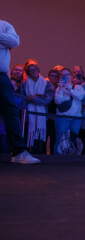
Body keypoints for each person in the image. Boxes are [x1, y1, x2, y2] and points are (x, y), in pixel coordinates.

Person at [0, 20, 40, 164]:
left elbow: (15, 41)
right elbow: (9, 41)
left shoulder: (4, 25)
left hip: (1, 76)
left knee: (11, 111)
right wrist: (4, 42)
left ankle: (19, 152)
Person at [18, 59, 55, 154]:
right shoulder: (24, 84)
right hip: (28, 116)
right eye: (30, 70)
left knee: (39, 141)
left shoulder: (47, 84)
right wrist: (30, 98)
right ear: (28, 73)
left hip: (41, 116)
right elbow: (22, 98)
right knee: (26, 137)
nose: (33, 71)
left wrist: (33, 99)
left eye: (34, 69)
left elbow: (47, 99)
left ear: (38, 70)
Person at [54, 68, 85, 155]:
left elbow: (80, 97)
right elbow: (57, 101)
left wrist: (70, 90)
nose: (65, 77)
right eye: (63, 75)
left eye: (67, 74)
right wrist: (61, 88)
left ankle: (71, 159)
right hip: (62, 117)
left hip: (75, 118)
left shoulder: (78, 87)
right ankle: (56, 159)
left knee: (73, 138)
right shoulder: (58, 89)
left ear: (71, 76)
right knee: (60, 138)